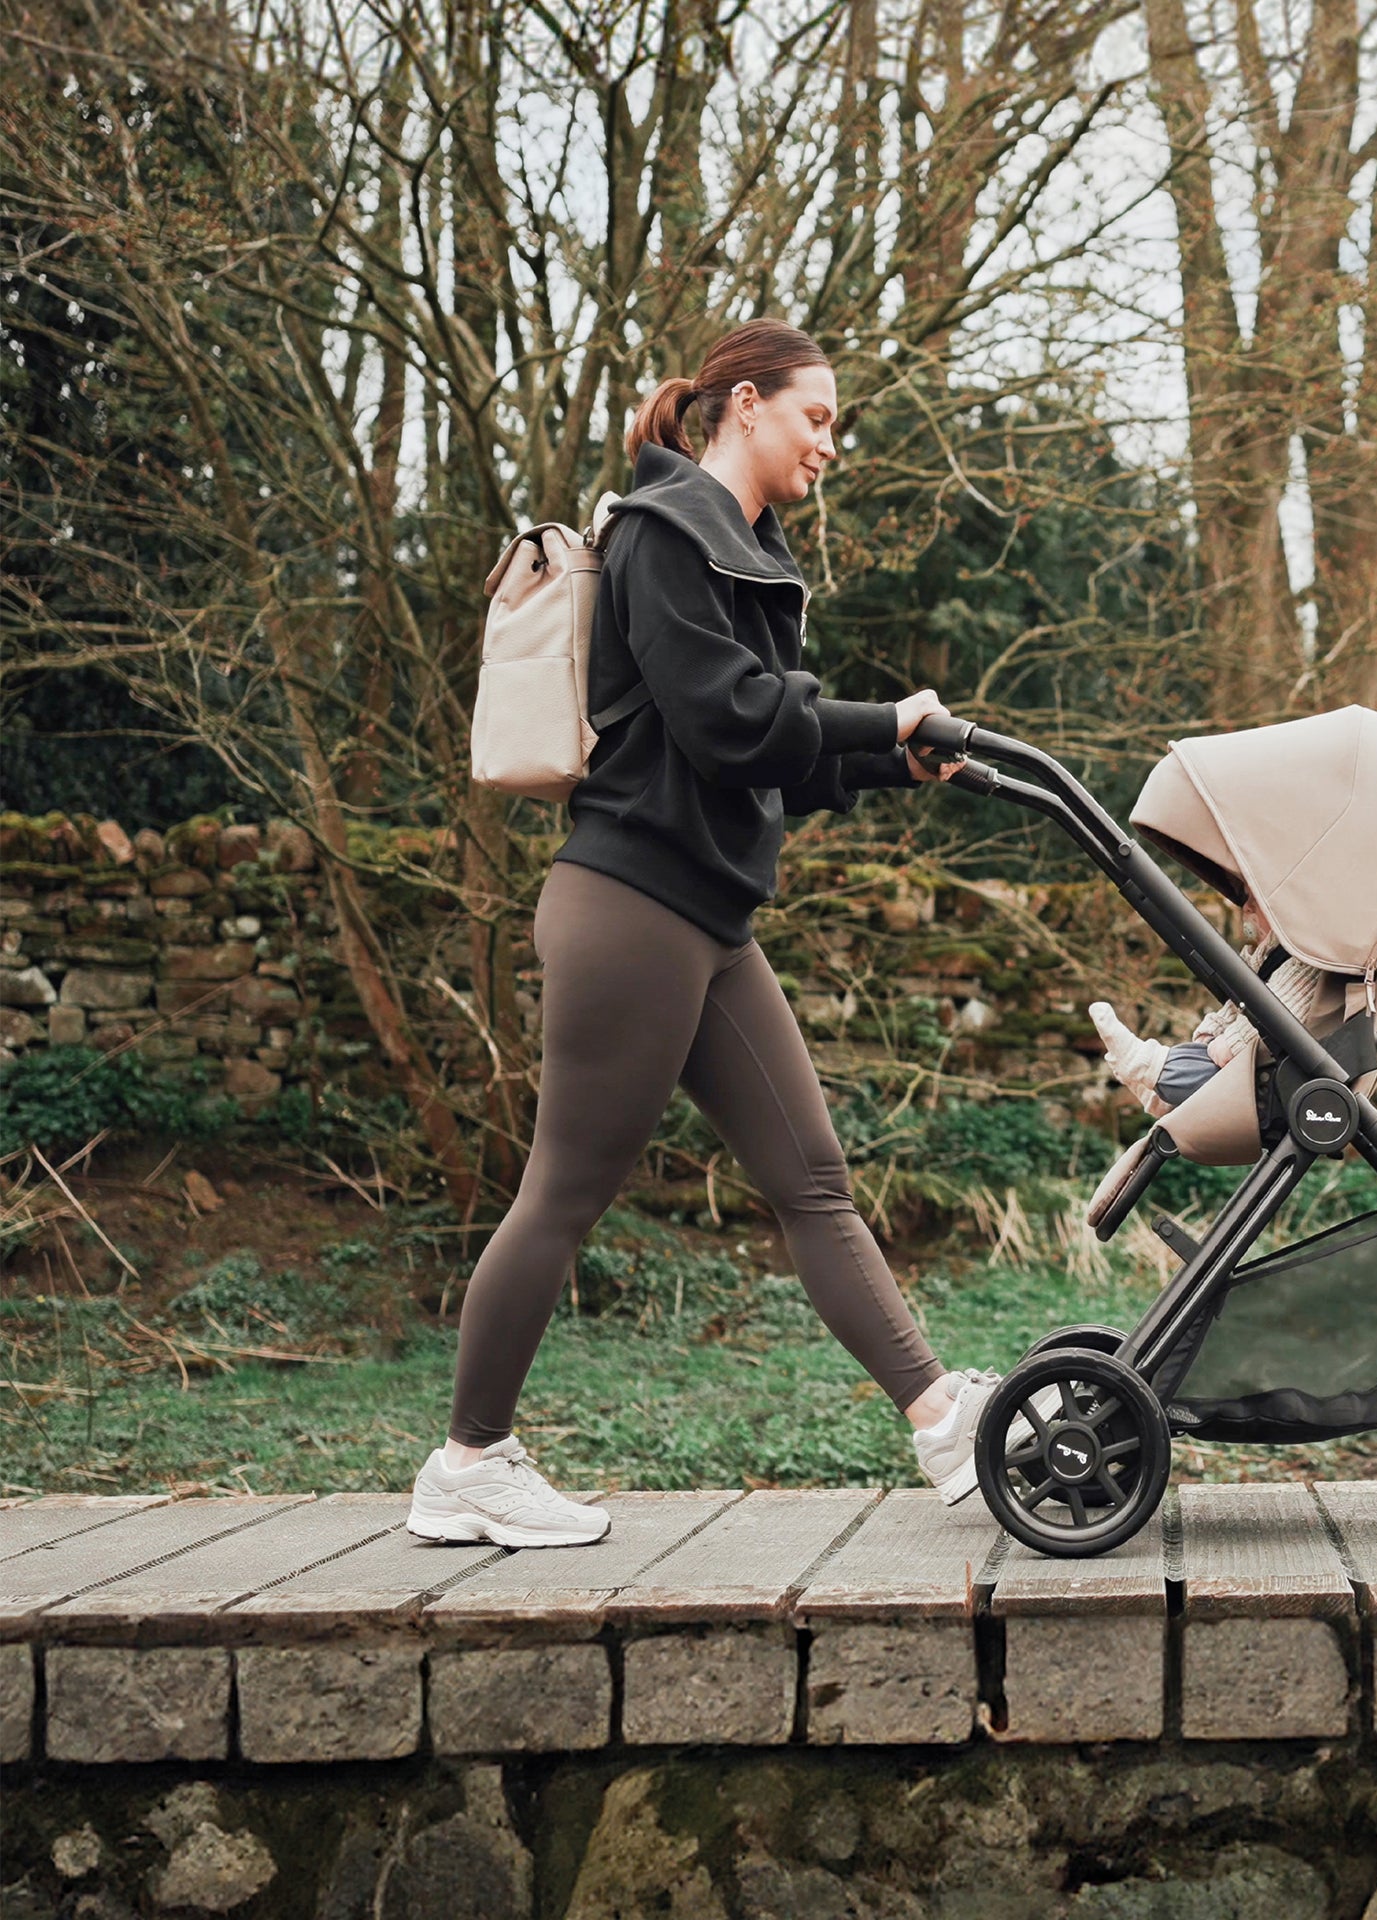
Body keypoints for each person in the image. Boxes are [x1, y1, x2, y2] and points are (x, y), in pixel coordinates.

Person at [408, 320, 1021, 1547]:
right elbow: (732, 724)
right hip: (632, 908)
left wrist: (893, 761)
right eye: (817, 418)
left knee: (811, 1181)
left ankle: (940, 1419)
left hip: (706, 914)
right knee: (566, 1193)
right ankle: (468, 1461)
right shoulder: (662, 534)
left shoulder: (741, 546)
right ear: (745, 406)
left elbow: (770, 767)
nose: (829, 444)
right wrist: (882, 712)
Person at [1089, 896, 1323, 1117]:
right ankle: (1157, 1091)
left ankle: (1148, 1067)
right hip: (1255, 1057)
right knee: (1200, 1053)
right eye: (1245, 900)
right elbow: (1238, 1003)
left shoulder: (1308, 958)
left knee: (1215, 1068)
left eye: (1255, 901)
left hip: (1274, 1073)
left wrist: (1230, 1043)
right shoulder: (1271, 953)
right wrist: (1211, 1034)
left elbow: (1277, 1015)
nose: (1246, 908)